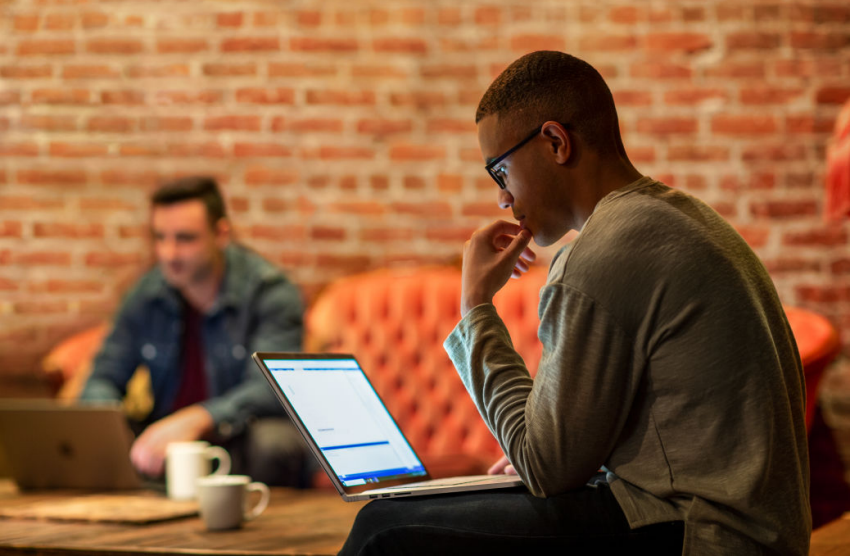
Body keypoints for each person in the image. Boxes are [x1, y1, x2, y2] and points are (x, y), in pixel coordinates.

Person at [339, 51, 810, 555]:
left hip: (699, 535)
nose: (502, 198)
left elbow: (543, 466)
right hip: (745, 531)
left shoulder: (602, 253)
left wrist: (475, 305)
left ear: (556, 142)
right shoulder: (684, 218)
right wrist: (545, 454)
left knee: (384, 527)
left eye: (500, 171)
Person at [80, 177, 313, 488]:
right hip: (168, 440)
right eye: (160, 238)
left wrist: (199, 419)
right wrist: (107, 427)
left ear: (221, 234)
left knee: (275, 443)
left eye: (185, 239)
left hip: (237, 435)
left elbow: (273, 389)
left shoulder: (269, 292)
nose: (169, 254)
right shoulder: (146, 295)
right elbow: (104, 377)